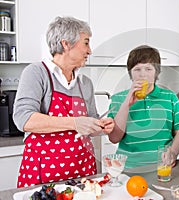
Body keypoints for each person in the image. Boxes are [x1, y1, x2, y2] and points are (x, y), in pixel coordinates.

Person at [13, 16, 114, 188]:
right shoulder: (37, 72)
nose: (89, 51)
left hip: (83, 170)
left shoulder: (85, 83)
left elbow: (89, 124)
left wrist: (101, 127)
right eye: (86, 43)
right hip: (44, 173)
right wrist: (75, 122)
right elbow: (23, 118)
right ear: (66, 44)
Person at [107, 45, 179, 169]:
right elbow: (114, 138)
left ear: (156, 72)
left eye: (148, 69)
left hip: (163, 167)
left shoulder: (170, 97)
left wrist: (173, 152)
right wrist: (126, 103)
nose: (142, 74)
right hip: (128, 168)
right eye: (137, 69)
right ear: (130, 73)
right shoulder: (118, 99)